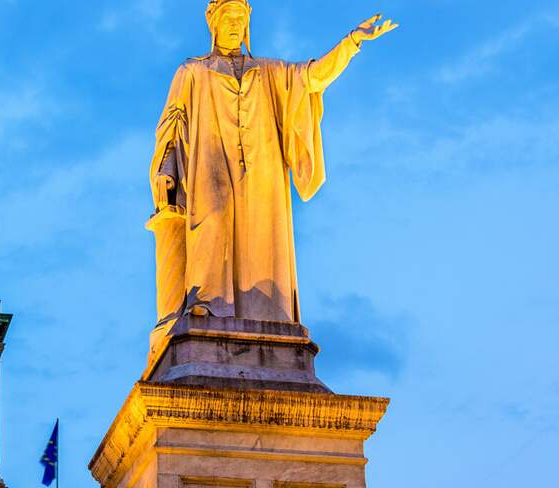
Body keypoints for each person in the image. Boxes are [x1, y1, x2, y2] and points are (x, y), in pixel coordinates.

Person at [148, 1, 397, 336]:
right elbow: (172, 125)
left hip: (261, 172)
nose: (235, 25)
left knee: (262, 235)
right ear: (213, 22)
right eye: (228, 17)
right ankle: (207, 303)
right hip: (210, 165)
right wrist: (166, 169)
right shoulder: (192, 72)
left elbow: (312, 77)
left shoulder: (270, 72)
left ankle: (267, 313)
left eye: (241, 18)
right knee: (211, 224)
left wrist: (351, 42)